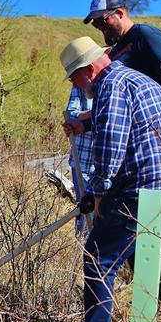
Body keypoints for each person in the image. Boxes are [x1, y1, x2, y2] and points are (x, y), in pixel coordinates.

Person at [51, 37, 161, 322]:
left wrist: (95, 192)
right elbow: (133, 124)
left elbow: (113, 147)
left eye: (74, 77)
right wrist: (83, 125)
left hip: (142, 188)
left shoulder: (109, 87)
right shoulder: (136, 79)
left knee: (99, 256)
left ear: (88, 70)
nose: (76, 85)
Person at [83, 0, 161, 142]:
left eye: (102, 21)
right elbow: (114, 103)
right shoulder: (114, 53)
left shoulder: (146, 35)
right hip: (141, 136)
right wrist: (84, 124)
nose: (100, 27)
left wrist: (152, 117)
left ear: (119, 13)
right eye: (96, 24)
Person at [65, 86, 94, 235]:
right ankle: (81, 246)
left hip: (101, 163)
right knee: (83, 207)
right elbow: (70, 113)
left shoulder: (110, 88)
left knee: (99, 210)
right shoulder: (79, 88)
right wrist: (94, 112)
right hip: (81, 159)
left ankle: (94, 248)